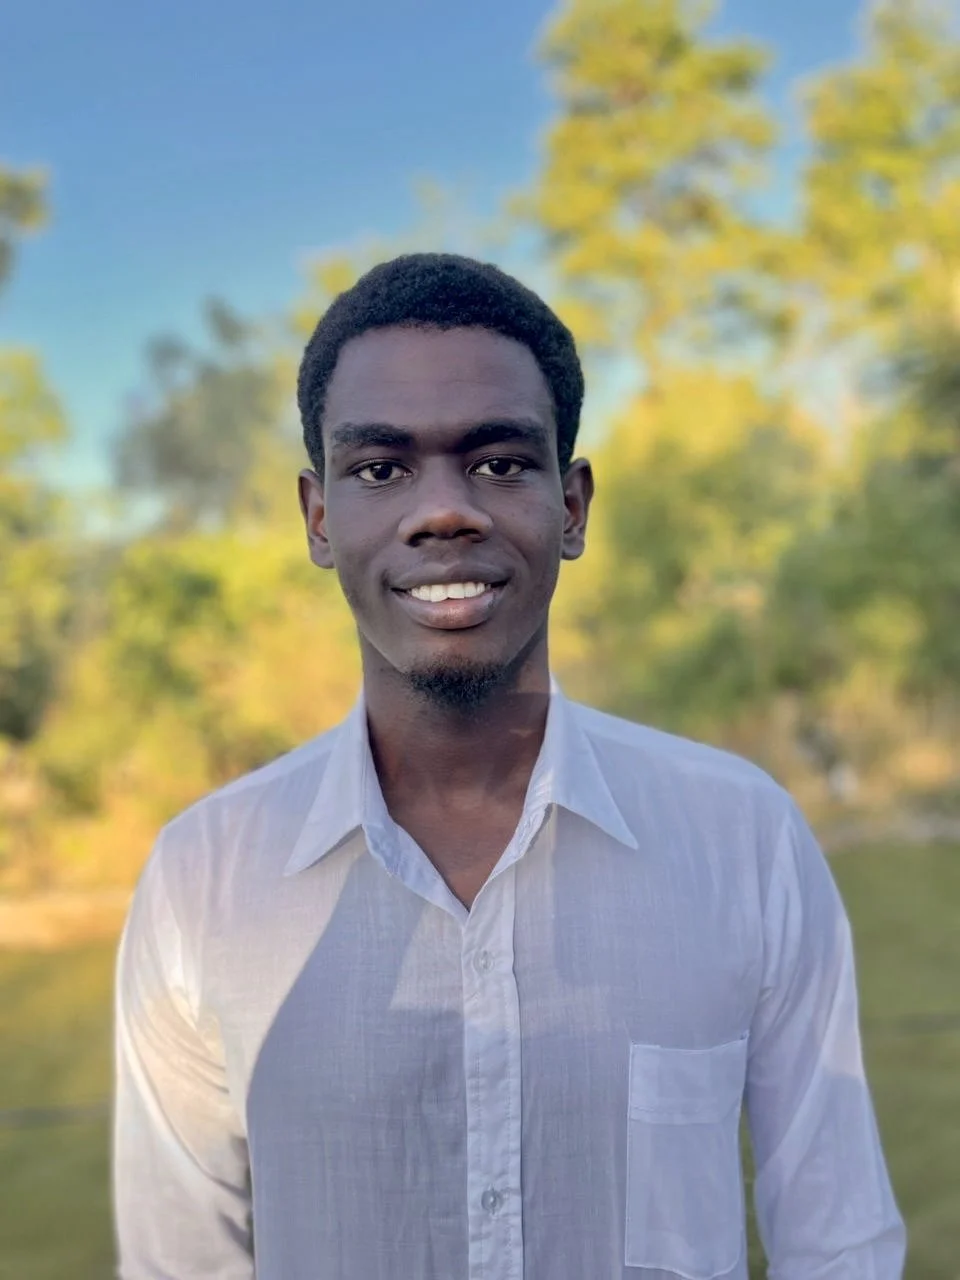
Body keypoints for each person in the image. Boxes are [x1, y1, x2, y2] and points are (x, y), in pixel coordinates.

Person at [112, 253, 907, 1279]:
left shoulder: (742, 838)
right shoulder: (204, 878)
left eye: (498, 462)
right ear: (318, 517)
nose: (445, 511)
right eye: (380, 468)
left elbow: (839, 1245)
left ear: (571, 507)